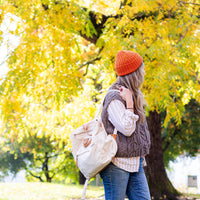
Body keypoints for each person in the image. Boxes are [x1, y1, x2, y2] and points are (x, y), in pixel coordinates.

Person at [100, 50, 151, 200]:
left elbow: (140, 130)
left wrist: (141, 152)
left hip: (136, 163)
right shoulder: (115, 97)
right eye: (141, 69)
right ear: (134, 73)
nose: (144, 72)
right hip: (116, 164)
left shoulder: (135, 95)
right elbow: (127, 130)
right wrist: (129, 103)